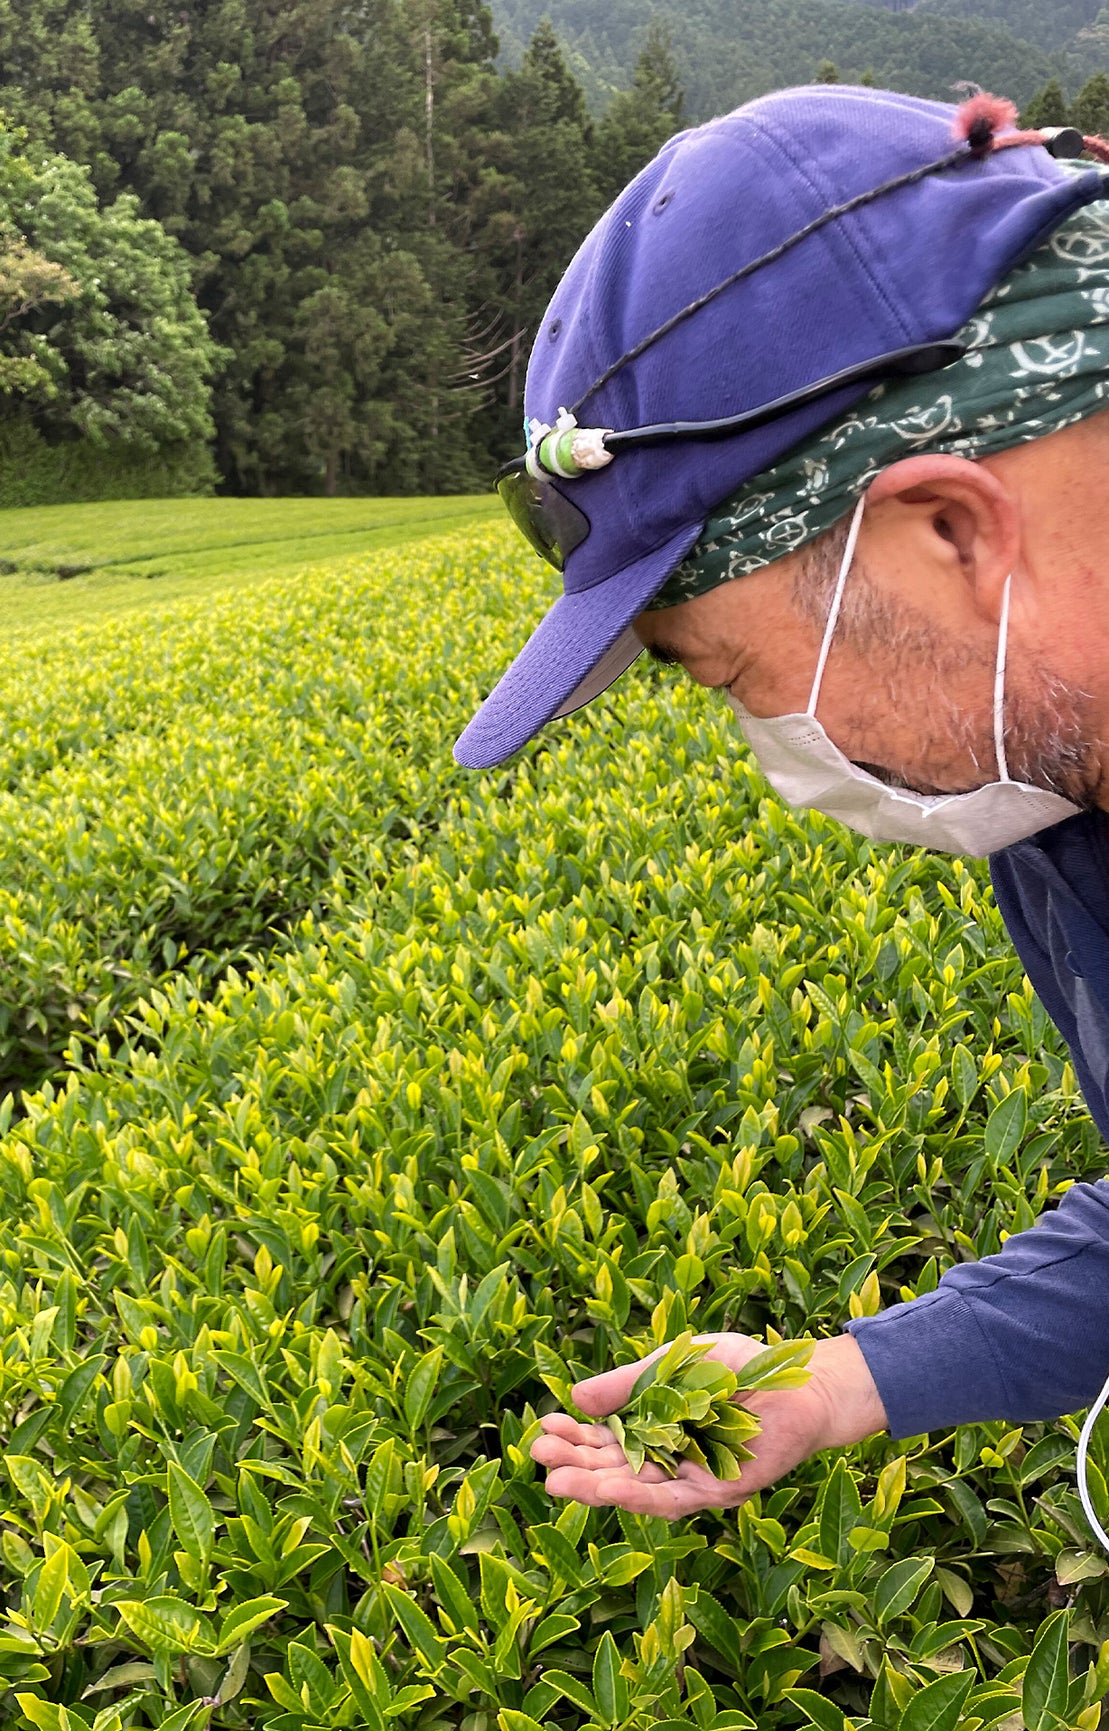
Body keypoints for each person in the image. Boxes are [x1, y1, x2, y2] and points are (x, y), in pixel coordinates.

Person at [451, 83, 1109, 1522]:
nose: (783, 757)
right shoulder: (1047, 782)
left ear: (949, 533)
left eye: (738, 677)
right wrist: (832, 1385)